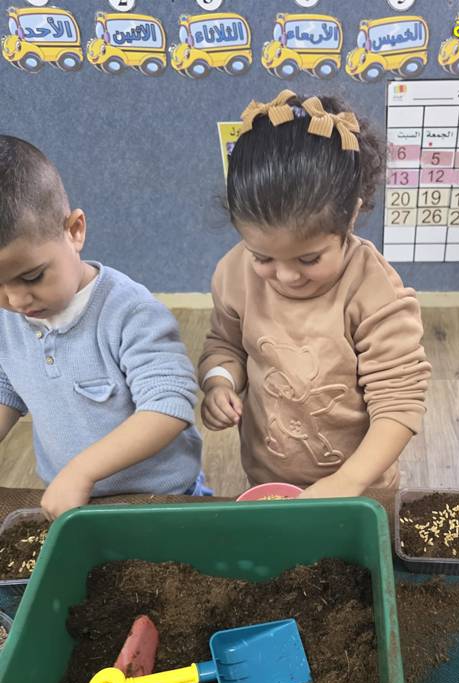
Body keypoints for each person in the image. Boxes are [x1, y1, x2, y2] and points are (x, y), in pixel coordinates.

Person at [198, 90, 431, 498]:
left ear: (350, 216)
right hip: (268, 475)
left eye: (309, 259)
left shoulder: (374, 291)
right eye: (263, 257)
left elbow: (398, 401)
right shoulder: (234, 273)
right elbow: (226, 345)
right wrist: (219, 382)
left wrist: (347, 482)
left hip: (358, 486)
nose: (286, 276)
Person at [0, 136, 204, 518]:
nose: (16, 300)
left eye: (32, 277)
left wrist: (83, 470)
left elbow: (169, 406)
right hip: (76, 503)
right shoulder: (9, 318)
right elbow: (7, 385)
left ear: (75, 230)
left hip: (161, 499)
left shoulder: (131, 312)